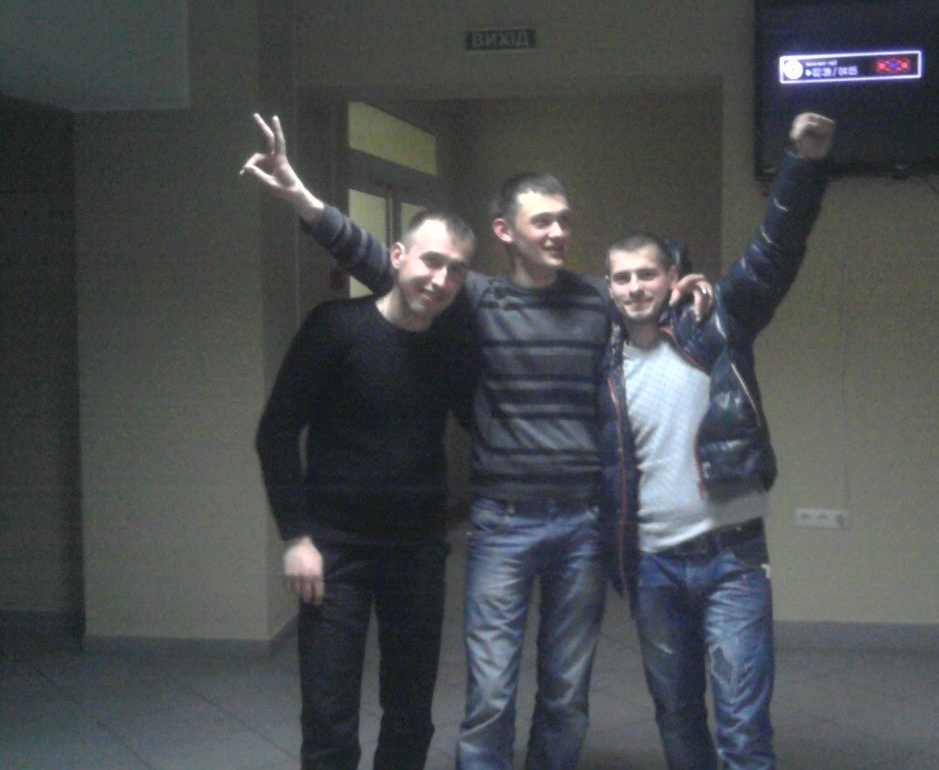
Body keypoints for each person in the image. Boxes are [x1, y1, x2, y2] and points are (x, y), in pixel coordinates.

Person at [243, 113, 711, 770]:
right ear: (505, 231)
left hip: (574, 524)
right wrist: (301, 197)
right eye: (542, 221)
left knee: (562, 696)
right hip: (498, 523)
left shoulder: (597, 301)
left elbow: (650, 297)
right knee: (484, 696)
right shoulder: (474, 302)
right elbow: (378, 260)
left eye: (565, 220)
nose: (558, 231)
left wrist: (688, 285)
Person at [597, 112, 835, 770]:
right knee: (676, 714)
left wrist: (803, 164)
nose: (634, 287)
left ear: (672, 274)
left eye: (647, 274)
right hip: (653, 568)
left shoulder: (719, 320)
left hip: (733, 559)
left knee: (742, 727)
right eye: (621, 278)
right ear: (608, 287)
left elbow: (775, 252)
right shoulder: (601, 362)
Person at [251, 120, 478, 768]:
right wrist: (296, 537)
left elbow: (486, 424)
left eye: (455, 270)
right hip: (334, 552)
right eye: (430, 260)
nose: (440, 278)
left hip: (418, 553)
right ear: (397, 256)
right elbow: (275, 432)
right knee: (329, 716)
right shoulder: (335, 328)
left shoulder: (452, 345)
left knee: (410, 713)